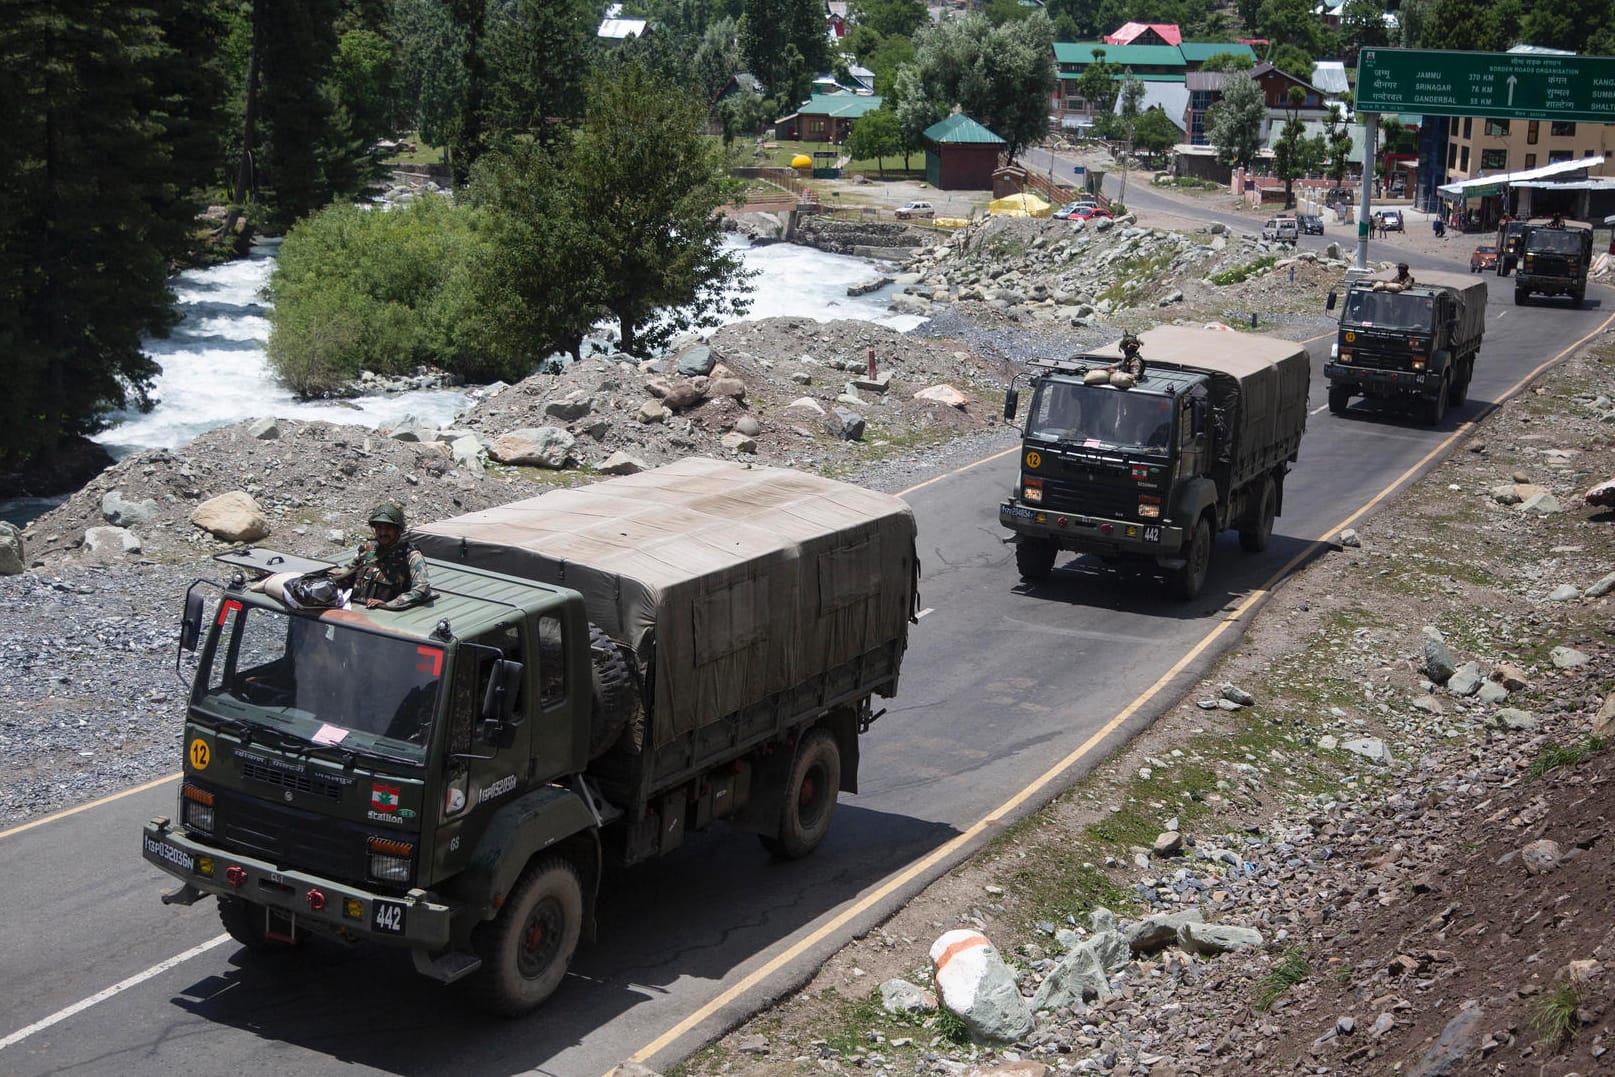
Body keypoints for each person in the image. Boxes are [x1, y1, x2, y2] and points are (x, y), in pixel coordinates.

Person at [328, 502, 431, 610]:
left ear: (398, 530)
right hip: (355, 610)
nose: (383, 532)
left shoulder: (411, 555)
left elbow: (421, 589)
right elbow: (348, 569)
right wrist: (331, 580)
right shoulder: (368, 549)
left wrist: (389, 604)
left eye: (388, 528)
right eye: (379, 528)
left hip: (385, 616)